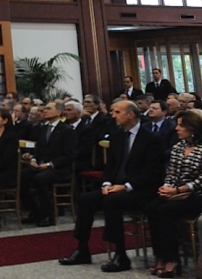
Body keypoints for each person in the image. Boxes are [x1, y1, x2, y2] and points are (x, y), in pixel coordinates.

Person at [59, 101, 165, 271]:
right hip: (117, 187)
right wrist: (107, 183)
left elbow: (153, 171)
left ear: (130, 114)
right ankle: (82, 248)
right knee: (86, 199)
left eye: (117, 112)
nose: (113, 115)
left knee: (112, 201)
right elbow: (110, 166)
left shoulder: (151, 139)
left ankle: (120, 254)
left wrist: (126, 186)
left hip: (141, 190)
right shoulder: (117, 135)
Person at [146, 110, 202, 277]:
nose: (176, 129)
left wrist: (178, 190)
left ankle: (172, 258)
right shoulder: (178, 147)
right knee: (152, 207)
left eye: (181, 125)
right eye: (177, 125)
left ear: (193, 128)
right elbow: (171, 172)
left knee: (165, 211)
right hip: (176, 192)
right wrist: (167, 188)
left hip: (197, 194)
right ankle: (161, 256)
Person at [21, 101, 76, 227]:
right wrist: (33, 159)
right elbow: (38, 150)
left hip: (60, 168)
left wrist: (49, 164)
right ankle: (34, 211)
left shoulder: (67, 130)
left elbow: (69, 156)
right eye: (44, 109)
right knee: (22, 176)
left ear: (58, 112)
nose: (45, 111)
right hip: (42, 165)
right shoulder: (44, 128)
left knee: (40, 179)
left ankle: (48, 215)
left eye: (48, 109)